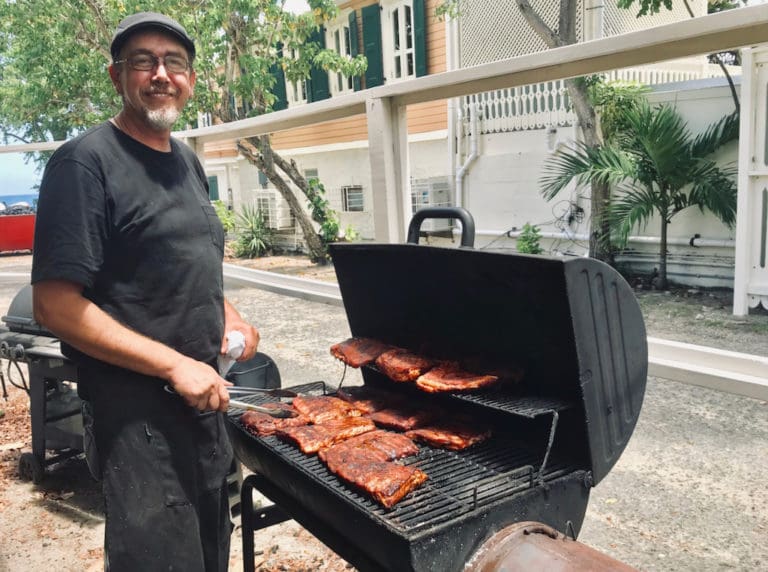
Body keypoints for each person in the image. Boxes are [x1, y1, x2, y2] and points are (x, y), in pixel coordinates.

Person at [31, 12, 258, 572]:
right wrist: (173, 364)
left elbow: (189, 261)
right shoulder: (85, 163)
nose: (161, 74)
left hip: (206, 400)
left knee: (210, 551)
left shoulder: (185, 160)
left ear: (191, 80)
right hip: (137, 419)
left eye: (174, 62)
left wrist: (231, 315)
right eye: (143, 61)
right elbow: (55, 305)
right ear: (117, 76)